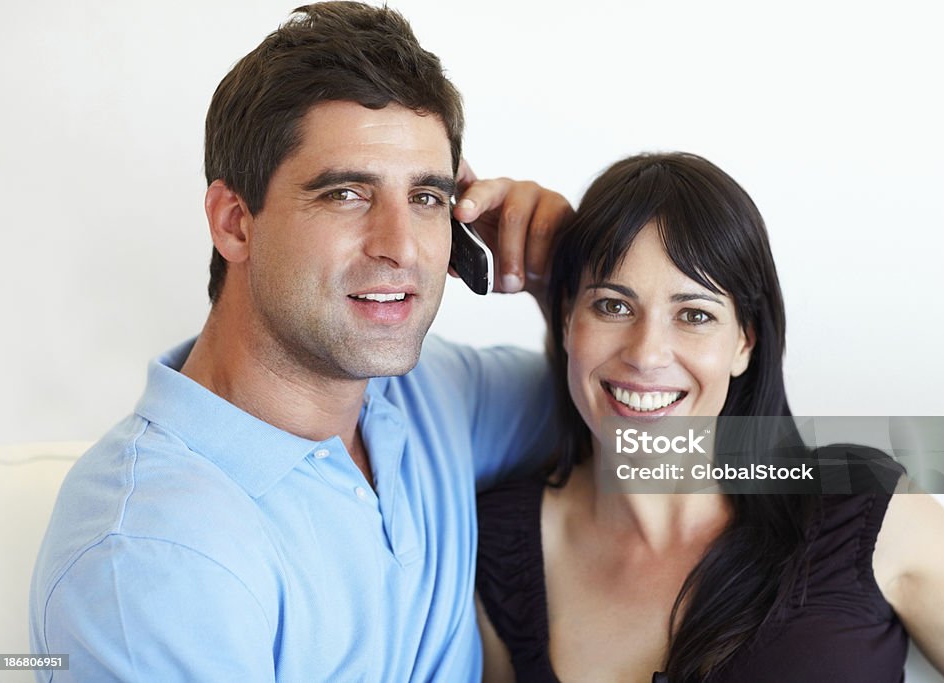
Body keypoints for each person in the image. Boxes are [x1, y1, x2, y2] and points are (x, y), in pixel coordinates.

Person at [30, 3, 572, 680]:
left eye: (428, 198)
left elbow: (699, 450)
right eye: (347, 193)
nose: (401, 246)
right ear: (235, 223)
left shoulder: (431, 395)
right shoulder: (148, 552)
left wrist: (573, 289)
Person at [476, 152, 944, 682]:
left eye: (694, 315)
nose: (646, 354)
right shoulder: (497, 547)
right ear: (567, 318)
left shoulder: (866, 510)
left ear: (744, 343)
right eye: (613, 306)